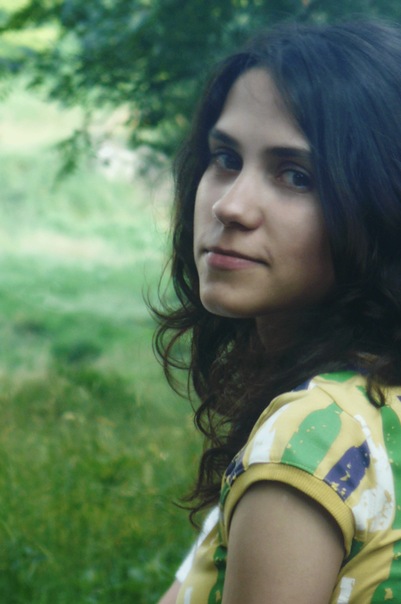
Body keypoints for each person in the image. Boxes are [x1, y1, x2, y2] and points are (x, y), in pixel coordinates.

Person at [154, 19, 401, 603]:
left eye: (296, 176)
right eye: (225, 157)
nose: (231, 206)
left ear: (380, 207)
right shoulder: (368, 408)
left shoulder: (308, 440)